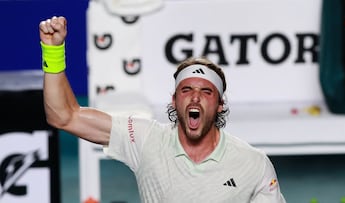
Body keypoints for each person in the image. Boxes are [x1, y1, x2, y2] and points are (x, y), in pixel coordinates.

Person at [39, 16, 286, 203]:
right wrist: (53, 51)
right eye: (187, 90)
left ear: (221, 105)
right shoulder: (144, 138)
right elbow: (64, 116)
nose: (196, 98)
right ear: (174, 100)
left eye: (207, 92)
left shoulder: (253, 164)